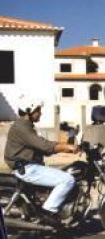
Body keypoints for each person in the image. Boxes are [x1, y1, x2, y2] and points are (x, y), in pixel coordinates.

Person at [4, 96, 79, 226]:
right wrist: (66, 146)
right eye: (38, 110)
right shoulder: (21, 127)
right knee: (67, 180)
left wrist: (64, 148)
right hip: (27, 168)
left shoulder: (25, 126)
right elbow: (43, 145)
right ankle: (48, 211)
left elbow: (42, 147)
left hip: (28, 166)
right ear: (30, 111)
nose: (40, 113)